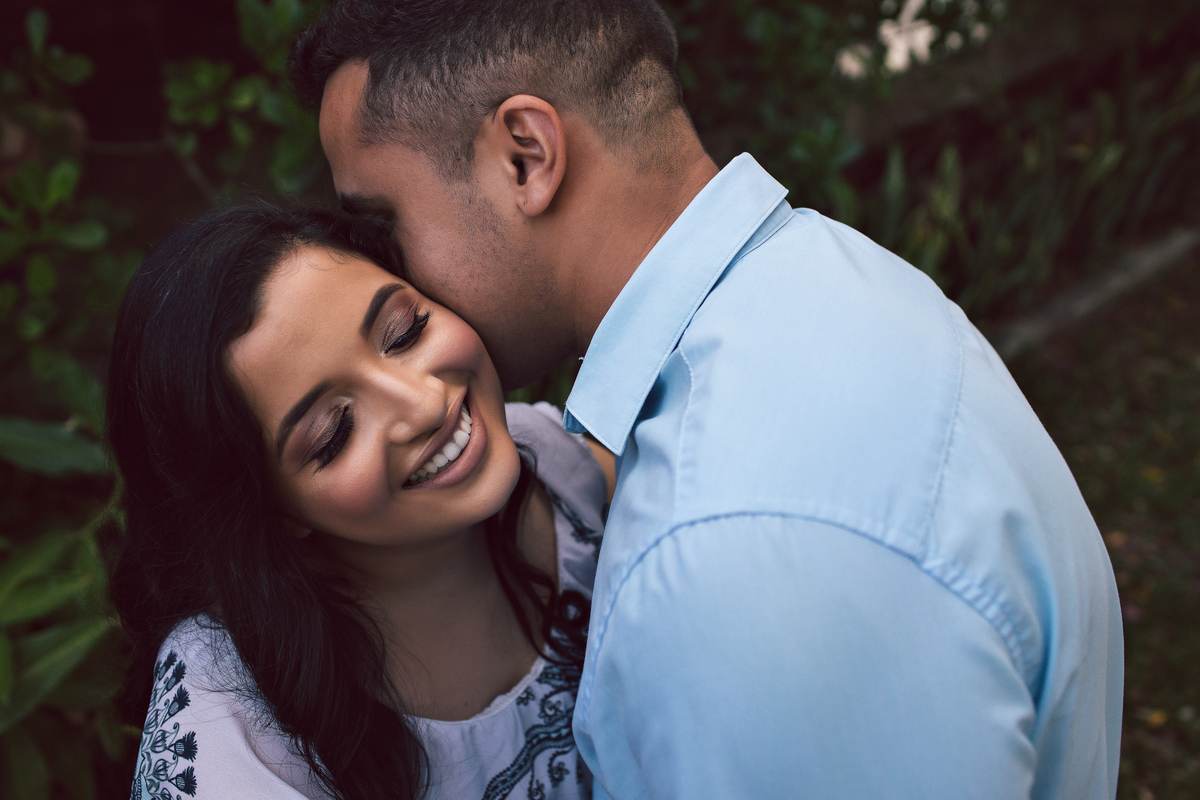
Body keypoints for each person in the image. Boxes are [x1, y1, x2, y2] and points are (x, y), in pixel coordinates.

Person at [289, 1, 1124, 798]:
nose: (391, 275)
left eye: (382, 224)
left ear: (525, 156)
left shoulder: (727, 554)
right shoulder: (834, 276)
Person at [106, 203, 615, 800]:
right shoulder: (228, 727)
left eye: (405, 332)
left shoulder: (558, 464)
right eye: (334, 434)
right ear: (271, 512)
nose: (423, 404)